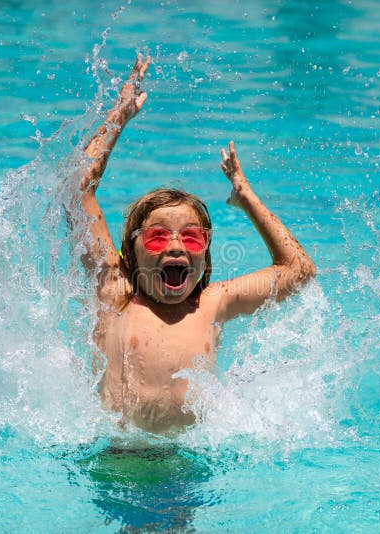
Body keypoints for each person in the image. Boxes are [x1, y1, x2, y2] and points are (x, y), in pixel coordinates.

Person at [74, 54, 316, 433]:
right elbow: (78, 189)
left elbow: (299, 271)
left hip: (189, 467)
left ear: (205, 252)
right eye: (157, 237)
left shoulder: (213, 302)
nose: (176, 247)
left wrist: (246, 198)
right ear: (132, 251)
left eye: (191, 236)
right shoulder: (116, 292)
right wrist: (118, 116)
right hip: (116, 458)